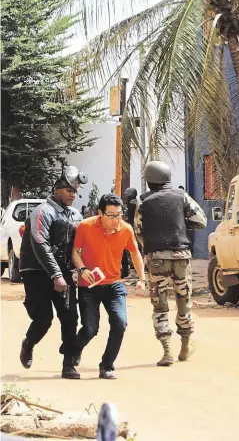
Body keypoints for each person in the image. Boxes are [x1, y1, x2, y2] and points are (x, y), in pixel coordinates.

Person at [134, 161, 207, 366]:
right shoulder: (181, 196)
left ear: (149, 181)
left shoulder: (143, 201)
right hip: (181, 255)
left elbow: (138, 231)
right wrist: (183, 226)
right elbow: (201, 220)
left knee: (160, 304)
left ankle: (167, 351)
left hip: (155, 258)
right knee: (184, 299)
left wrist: (150, 250)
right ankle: (186, 342)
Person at [19, 165, 87, 379]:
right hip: (37, 271)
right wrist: (55, 275)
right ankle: (28, 343)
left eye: (75, 191)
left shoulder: (75, 214)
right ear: (57, 189)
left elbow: (80, 244)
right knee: (43, 318)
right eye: (69, 190)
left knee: (69, 317)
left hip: (62, 270)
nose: (72, 195)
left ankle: (68, 365)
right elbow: (40, 245)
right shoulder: (42, 212)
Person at [72, 193, 146, 379]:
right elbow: (75, 251)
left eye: (119, 215)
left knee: (120, 323)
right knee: (90, 329)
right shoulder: (85, 226)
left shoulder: (126, 229)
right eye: (111, 215)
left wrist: (142, 279)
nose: (115, 220)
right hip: (88, 285)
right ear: (100, 213)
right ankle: (75, 349)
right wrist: (82, 270)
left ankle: (107, 365)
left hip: (114, 284)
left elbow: (135, 254)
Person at [121, 187, 138, 278]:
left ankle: (131, 265)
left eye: (126, 196)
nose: (124, 197)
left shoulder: (132, 204)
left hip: (132, 228)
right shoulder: (135, 203)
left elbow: (128, 218)